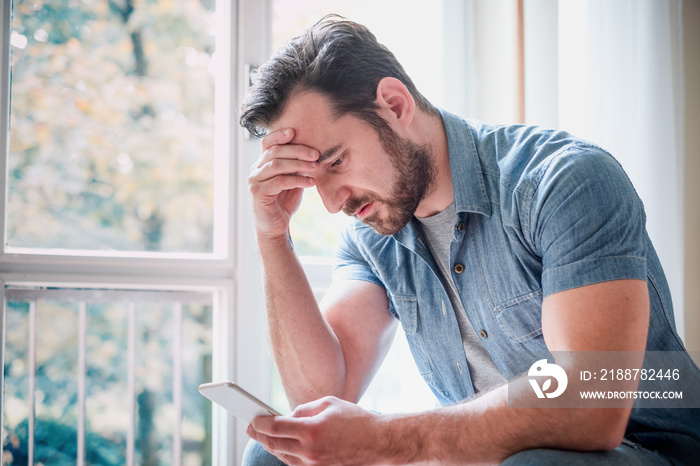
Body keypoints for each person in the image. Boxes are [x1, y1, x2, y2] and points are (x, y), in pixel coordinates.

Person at [238, 15, 700, 466]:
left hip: (639, 449)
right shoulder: (372, 232)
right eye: (311, 180)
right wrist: (273, 236)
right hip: (477, 457)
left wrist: (386, 439)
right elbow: (323, 398)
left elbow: (591, 401)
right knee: (275, 455)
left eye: (335, 162)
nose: (333, 202)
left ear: (395, 105)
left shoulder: (562, 182)